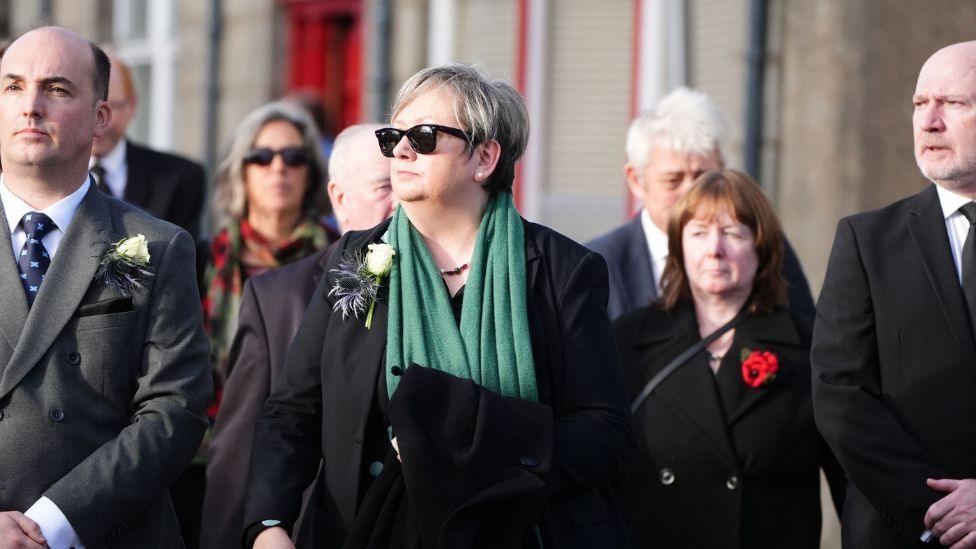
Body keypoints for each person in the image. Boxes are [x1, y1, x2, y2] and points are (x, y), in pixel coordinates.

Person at [243, 63, 634, 549]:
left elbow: (606, 432)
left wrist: (474, 448)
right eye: (393, 138)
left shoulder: (562, 271)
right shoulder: (357, 258)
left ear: (485, 157)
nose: (401, 150)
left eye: (425, 136)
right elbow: (293, 408)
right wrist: (267, 524)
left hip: (514, 532)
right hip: (367, 531)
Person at [0, 26, 210, 548]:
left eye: (56, 88)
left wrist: (52, 524)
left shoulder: (158, 246)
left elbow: (173, 410)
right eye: (12, 86)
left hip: (106, 530)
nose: (31, 106)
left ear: (100, 117)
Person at [613, 169, 844, 548]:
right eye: (699, 233)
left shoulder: (810, 349)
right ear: (679, 246)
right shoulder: (629, 340)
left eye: (733, 233)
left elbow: (849, 482)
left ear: (762, 247)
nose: (714, 249)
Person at [813, 41, 976, 548]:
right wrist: (939, 513)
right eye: (918, 103)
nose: (928, 121)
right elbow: (840, 394)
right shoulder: (867, 241)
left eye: (952, 103)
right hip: (905, 531)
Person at [201, 123, 395, 549]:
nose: (399, 202)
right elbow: (240, 449)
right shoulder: (277, 296)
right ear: (339, 198)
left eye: (406, 181)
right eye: (385, 186)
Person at [586, 87, 815, 322]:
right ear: (636, 180)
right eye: (673, 181)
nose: (690, 194)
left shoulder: (759, 244)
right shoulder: (597, 264)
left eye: (702, 178)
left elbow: (803, 338)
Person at [90, 51, 206, 240]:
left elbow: (185, 263)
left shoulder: (179, 179)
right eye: (90, 107)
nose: (98, 121)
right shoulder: (48, 176)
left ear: (132, 105)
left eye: (110, 108)